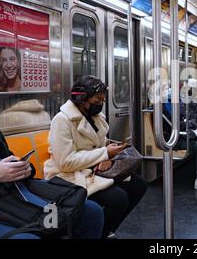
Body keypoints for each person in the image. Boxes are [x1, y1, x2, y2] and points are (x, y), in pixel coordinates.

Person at [0, 66, 104, 239]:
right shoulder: (63, 119)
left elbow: (9, 159)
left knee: (90, 211)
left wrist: (25, 168)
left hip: (7, 194)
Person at [44, 75, 147, 238]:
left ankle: (107, 230)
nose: (101, 104)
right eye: (98, 100)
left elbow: (101, 143)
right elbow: (65, 162)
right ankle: (97, 233)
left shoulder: (95, 117)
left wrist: (107, 156)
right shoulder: (62, 121)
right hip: (68, 175)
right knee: (118, 199)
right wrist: (104, 153)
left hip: (90, 169)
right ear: (83, 99)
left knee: (138, 185)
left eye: (103, 100)